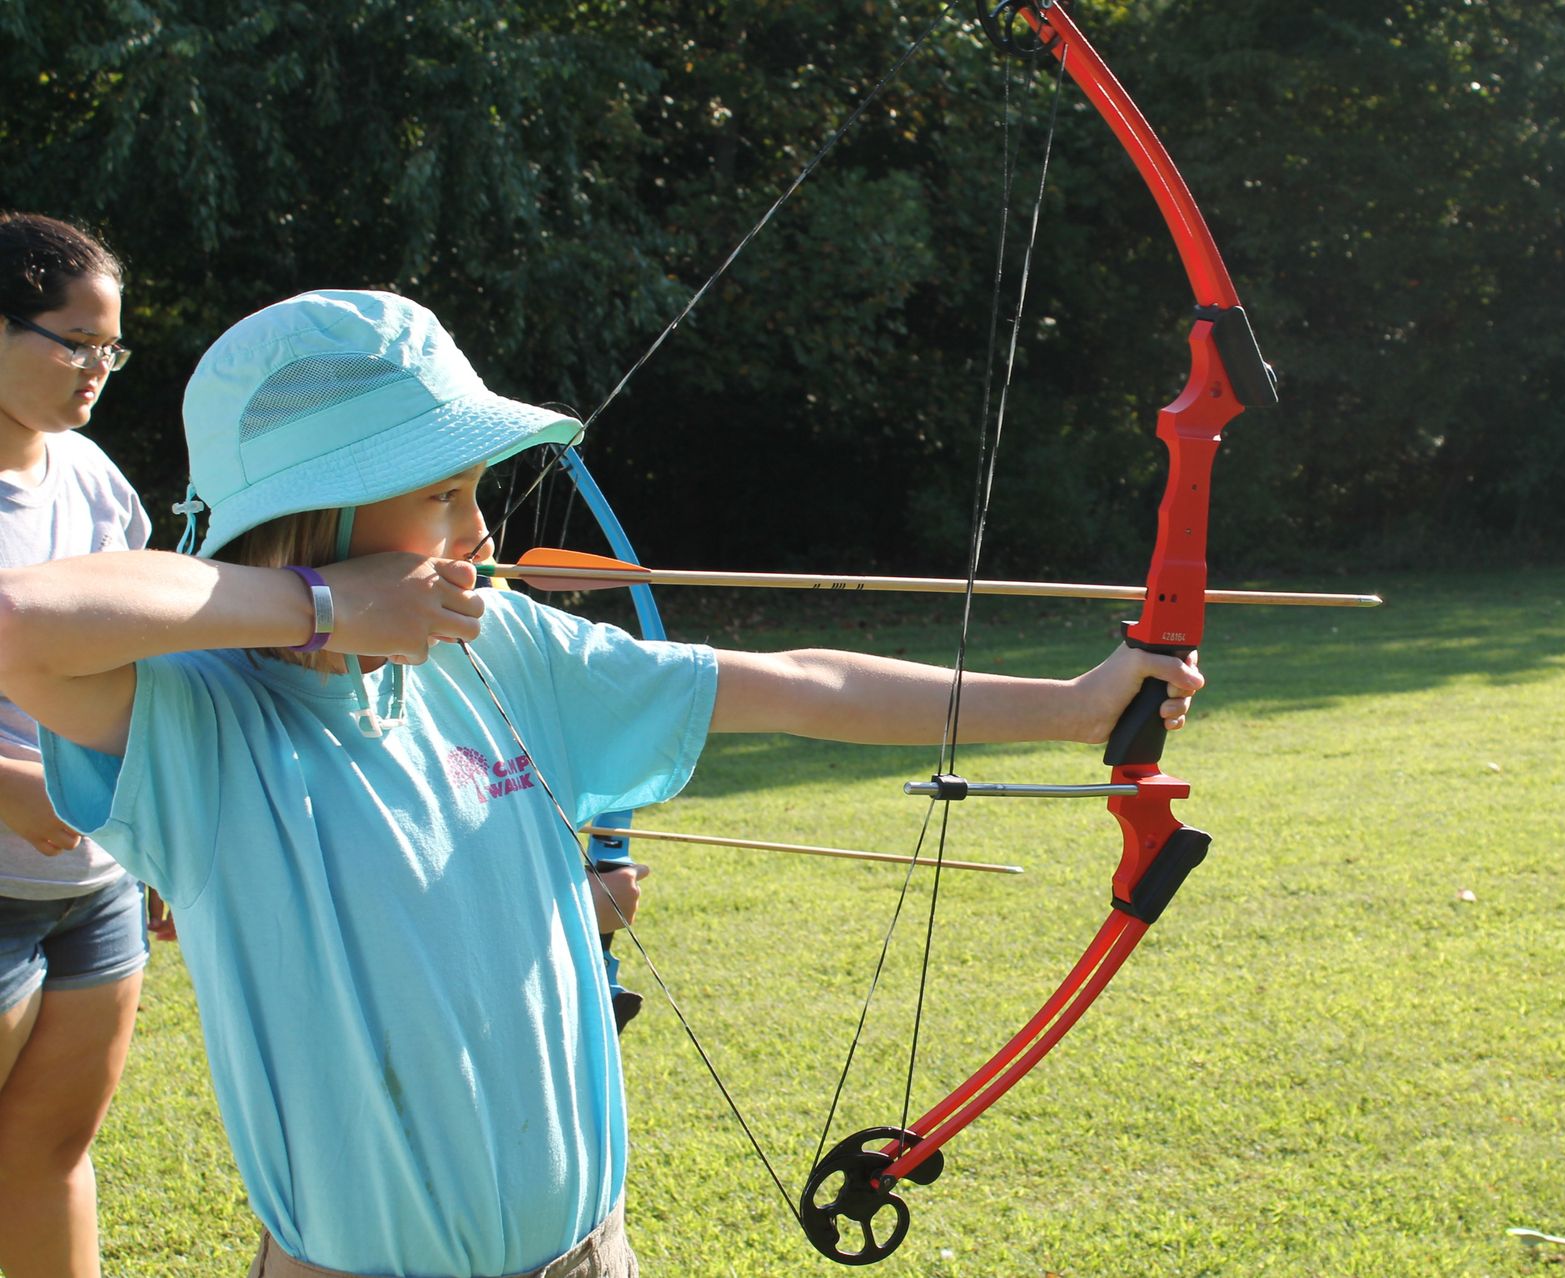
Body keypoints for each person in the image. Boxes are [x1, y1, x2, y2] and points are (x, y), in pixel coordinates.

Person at [0, 289, 1202, 1278]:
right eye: (441, 495)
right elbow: (20, 618)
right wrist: (322, 609)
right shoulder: (199, 721)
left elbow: (792, 683)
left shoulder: (503, 649)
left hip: (588, 1257)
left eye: (476, 489)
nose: (480, 531)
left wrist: (1072, 708)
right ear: (312, 519)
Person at [0, 211, 159, 1278]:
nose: (97, 368)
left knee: (50, 1157)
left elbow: (150, 672)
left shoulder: (97, 481)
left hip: (94, 892)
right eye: (75, 342)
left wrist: (161, 839)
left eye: (112, 348)